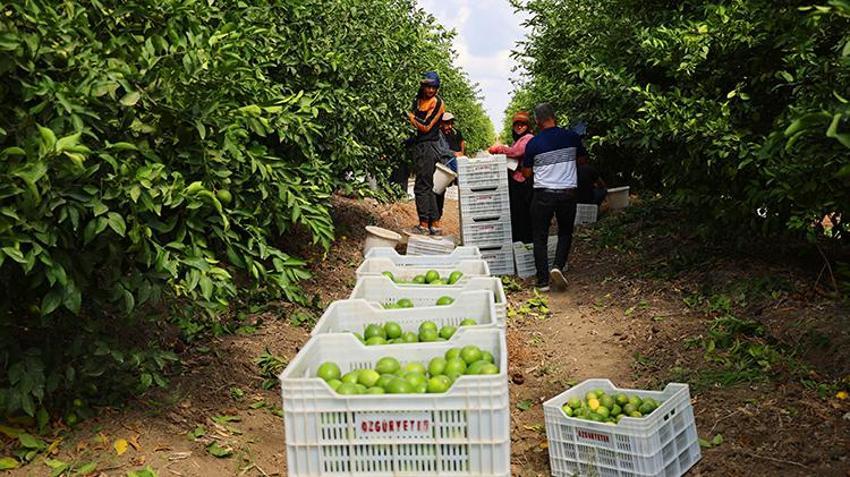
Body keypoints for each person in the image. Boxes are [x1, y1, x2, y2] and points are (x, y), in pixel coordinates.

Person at [523, 103, 586, 291]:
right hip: (567, 192)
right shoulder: (572, 137)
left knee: (539, 236)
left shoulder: (533, 143)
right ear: (554, 117)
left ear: (537, 121)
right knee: (565, 231)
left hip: (543, 194)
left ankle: (543, 281)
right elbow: (582, 160)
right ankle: (558, 265)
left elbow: (527, 173)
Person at [405, 71, 446, 235]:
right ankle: (433, 224)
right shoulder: (418, 101)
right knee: (426, 184)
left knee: (422, 186)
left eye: (434, 87)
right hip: (421, 146)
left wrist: (409, 116)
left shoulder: (437, 103)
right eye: (428, 87)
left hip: (429, 147)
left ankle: (424, 224)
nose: (430, 90)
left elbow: (426, 126)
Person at [489, 111, 535, 243]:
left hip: (523, 181)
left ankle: (525, 241)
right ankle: (518, 240)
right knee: (516, 212)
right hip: (516, 180)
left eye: (522, 124)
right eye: (516, 124)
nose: (519, 127)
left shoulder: (528, 138)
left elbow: (516, 152)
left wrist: (498, 149)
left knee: (522, 212)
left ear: (527, 126)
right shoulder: (519, 140)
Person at [435, 112, 464, 224]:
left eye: (451, 123)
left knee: (440, 192)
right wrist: (454, 153)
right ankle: (434, 219)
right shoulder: (437, 134)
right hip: (439, 166)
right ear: (441, 123)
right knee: (437, 192)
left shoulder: (452, 133)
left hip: (446, 164)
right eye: (447, 123)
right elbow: (440, 150)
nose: (450, 126)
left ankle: (437, 218)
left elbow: (461, 142)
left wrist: (460, 153)